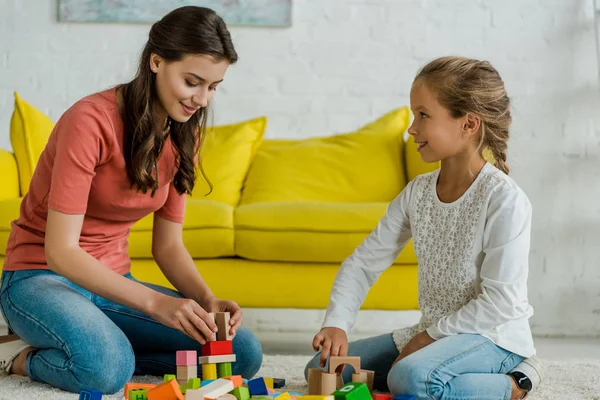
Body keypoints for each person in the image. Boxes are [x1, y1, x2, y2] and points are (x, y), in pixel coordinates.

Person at [0, 6, 262, 394]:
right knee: (107, 370)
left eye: (214, 86)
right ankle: (18, 354)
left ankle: (99, 346)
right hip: (40, 277)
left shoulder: (184, 132)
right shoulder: (90, 120)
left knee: (240, 353)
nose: (202, 99)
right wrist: (157, 306)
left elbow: (168, 247)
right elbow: (61, 252)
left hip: (112, 285)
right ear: (156, 61)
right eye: (192, 81)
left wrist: (207, 301)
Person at [306, 56, 545, 400]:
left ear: (468, 124)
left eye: (423, 115)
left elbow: (500, 303)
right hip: (435, 331)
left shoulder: (504, 200)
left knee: (409, 380)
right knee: (322, 369)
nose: (411, 128)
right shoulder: (417, 193)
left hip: (493, 337)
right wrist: (337, 323)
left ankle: (518, 381)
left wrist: (426, 339)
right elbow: (363, 262)